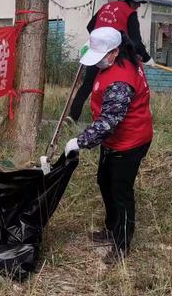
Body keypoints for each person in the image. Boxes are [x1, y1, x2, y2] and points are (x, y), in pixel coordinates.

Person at [65, 27, 153, 265]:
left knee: (120, 191)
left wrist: (80, 141)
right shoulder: (121, 58)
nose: (97, 62)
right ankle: (111, 228)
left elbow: (109, 122)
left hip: (130, 140)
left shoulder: (121, 80)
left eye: (101, 56)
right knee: (104, 180)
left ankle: (121, 244)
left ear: (115, 52)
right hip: (115, 140)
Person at [68, 0, 155, 122]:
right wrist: (147, 58)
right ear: (132, 1)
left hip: (96, 52)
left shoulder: (106, 6)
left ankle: (72, 117)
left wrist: (98, 39)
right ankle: (111, 119)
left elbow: (90, 26)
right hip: (114, 56)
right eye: (138, 3)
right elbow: (136, 42)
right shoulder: (130, 13)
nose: (139, 6)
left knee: (87, 85)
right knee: (116, 85)